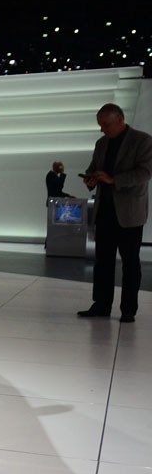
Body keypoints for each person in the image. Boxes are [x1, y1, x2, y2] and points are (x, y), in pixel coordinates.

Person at [77, 103, 152, 323]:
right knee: (103, 261)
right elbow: (93, 167)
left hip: (129, 213)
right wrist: (91, 179)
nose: (102, 129)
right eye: (100, 125)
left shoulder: (143, 141)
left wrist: (113, 180)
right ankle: (101, 305)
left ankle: (128, 309)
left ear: (120, 120)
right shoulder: (102, 143)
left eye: (105, 125)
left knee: (130, 262)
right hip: (105, 211)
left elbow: (145, 173)